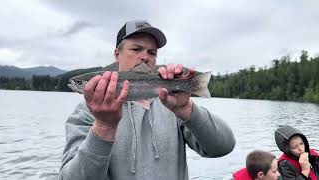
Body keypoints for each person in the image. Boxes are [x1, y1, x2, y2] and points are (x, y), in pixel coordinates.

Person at [58, 19, 236, 180]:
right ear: (117, 54)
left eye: (152, 52)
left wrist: (188, 110)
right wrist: (104, 127)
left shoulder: (171, 103)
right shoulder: (85, 113)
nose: (145, 56)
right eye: (136, 49)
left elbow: (223, 147)